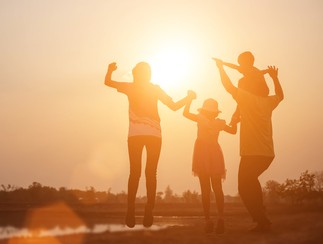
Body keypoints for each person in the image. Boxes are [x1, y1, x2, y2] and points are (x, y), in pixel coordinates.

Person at [104, 61, 193, 228]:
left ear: (135, 74)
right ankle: (149, 210)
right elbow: (174, 107)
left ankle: (130, 211)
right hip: (154, 135)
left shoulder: (130, 87)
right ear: (149, 74)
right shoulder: (155, 89)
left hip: (135, 135)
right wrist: (189, 97)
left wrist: (110, 70)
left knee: (135, 173)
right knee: (151, 174)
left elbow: (107, 82)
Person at [214, 58, 284, 232]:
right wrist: (274, 77)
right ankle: (262, 217)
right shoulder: (268, 102)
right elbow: (281, 96)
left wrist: (220, 68)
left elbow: (228, 86)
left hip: (252, 153)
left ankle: (262, 220)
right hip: (267, 154)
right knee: (251, 182)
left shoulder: (246, 98)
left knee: (244, 187)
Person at [183, 91, 237, 234]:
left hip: (202, 154)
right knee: (216, 188)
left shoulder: (200, 119)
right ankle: (219, 219)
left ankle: (209, 220)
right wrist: (235, 119)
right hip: (213, 153)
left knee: (206, 190)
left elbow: (185, 113)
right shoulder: (219, 123)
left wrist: (189, 99)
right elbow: (233, 131)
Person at [215, 51, 270, 128]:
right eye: (240, 63)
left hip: (262, 91)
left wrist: (267, 71)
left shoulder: (254, 70)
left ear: (250, 61)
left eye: (242, 63)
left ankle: (236, 115)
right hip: (250, 93)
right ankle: (236, 115)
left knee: (242, 82)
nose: (241, 66)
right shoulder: (246, 70)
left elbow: (259, 73)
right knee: (241, 88)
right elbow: (234, 67)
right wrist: (223, 63)